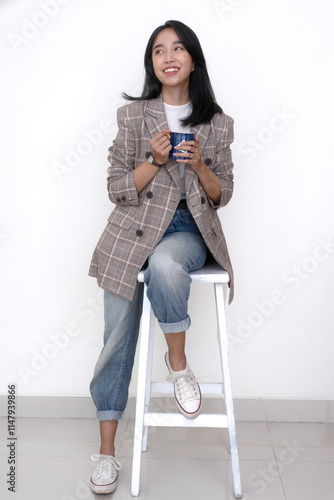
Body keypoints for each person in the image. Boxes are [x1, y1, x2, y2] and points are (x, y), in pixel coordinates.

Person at [88, 19, 235, 495]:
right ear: (152, 64)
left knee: (168, 265)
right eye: (158, 50)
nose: (168, 56)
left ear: (192, 58)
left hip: (184, 231)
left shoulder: (217, 123)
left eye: (177, 48)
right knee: (115, 341)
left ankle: (178, 366)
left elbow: (223, 194)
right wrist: (152, 162)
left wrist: (197, 165)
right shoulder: (133, 118)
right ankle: (107, 455)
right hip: (130, 235)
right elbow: (115, 188)